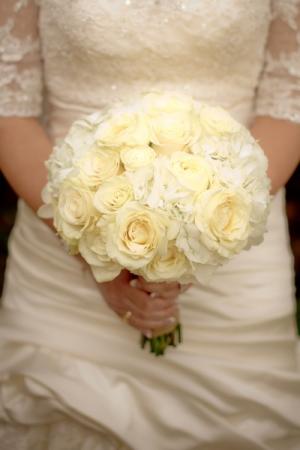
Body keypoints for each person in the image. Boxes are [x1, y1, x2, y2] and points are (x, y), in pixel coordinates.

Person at [0, 1, 300, 449]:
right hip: (60, 251)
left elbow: (289, 100)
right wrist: (94, 247)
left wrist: (206, 239)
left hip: (235, 262)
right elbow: (9, 105)